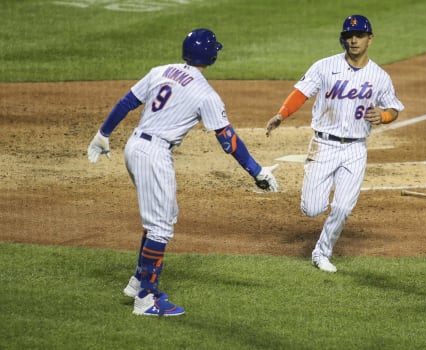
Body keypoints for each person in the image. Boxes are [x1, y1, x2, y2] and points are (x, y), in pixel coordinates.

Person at [87, 28, 279, 316]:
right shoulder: (205, 94)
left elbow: (127, 102)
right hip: (154, 154)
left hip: (134, 146)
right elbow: (228, 139)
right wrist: (257, 171)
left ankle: (139, 280)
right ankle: (146, 299)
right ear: (211, 55)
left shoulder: (161, 70)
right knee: (161, 227)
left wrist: (103, 134)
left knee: (163, 217)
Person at [265, 15, 404, 273]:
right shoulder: (324, 66)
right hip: (323, 145)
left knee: (342, 206)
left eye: (360, 35)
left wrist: (383, 116)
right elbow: (301, 93)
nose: (354, 40)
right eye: (350, 35)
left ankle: (322, 252)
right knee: (312, 208)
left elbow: (394, 108)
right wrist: (281, 114)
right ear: (343, 38)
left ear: (370, 39)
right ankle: (321, 195)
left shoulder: (379, 76)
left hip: (355, 149)